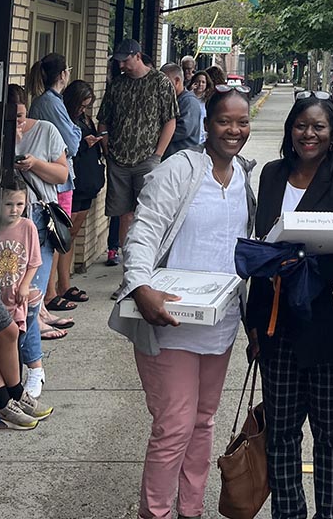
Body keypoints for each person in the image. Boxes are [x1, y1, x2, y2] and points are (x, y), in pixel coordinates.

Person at [109, 85, 256, 519]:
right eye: (225, 121)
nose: (234, 129)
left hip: (220, 323)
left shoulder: (246, 175)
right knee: (173, 426)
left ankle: (190, 509)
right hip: (169, 317)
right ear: (207, 125)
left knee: (203, 422)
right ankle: (156, 513)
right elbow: (145, 229)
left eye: (242, 122)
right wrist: (140, 287)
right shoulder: (181, 169)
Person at [247, 91, 333, 519]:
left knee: (331, 434)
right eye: (301, 126)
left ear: (332, 134)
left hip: (332, 327)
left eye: (318, 126)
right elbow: (262, 249)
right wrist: (254, 325)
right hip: (278, 327)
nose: (308, 134)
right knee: (281, 433)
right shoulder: (272, 175)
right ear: (289, 130)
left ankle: (331, 513)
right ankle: (289, 513)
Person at [12, 90, 69, 398]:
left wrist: (33, 163)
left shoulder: (46, 129)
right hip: (6, 219)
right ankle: (18, 377)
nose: (17, 122)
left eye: (20, 116)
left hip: (39, 215)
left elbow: (61, 174)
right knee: (13, 301)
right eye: (11, 118)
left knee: (32, 298)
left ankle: (33, 370)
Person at [97, 39, 178, 250]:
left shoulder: (160, 82)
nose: (121, 66)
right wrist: (106, 147)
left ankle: (147, 259)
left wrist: (157, 155)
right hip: (118, 159)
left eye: (125, 61)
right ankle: (127, 265)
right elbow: (103, 118)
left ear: (138, 56)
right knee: (124, 214)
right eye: (119, 62)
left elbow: (170, 120)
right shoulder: (117, 84)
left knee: (147, 212)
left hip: (147, 158)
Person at [0, 183, 54, 427]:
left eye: (20, 204)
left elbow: (34, 262)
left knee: (14, 341)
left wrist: (26, 285)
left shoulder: (27, 226)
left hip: (17, 297)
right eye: (9, 204)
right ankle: (6, 398)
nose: (15, 209)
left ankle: (14, 395)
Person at [27, 54, 82, 313]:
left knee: (56, 237)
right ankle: (48, 295)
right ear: (63, 74)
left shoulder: (50, 101)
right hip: (55, 180)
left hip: (53, 177)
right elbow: (71, 143)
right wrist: (78, 130)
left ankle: (48, 295)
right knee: (55, 236)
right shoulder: (50, 102)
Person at [57, 80, 106, 303]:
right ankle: (61, 284)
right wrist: (84, 143)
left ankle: (64, 281)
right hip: (73, 181)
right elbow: (66, 150)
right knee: (65, 234)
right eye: (82, 105)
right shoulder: (66, 120)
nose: (84, 110)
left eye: (87, 106)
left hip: (89, 180)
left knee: (74, 233)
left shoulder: (85, 119)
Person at [161, 63, 205, 156]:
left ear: (177, 81)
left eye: (164, 83)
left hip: (181, 157)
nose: (161, 87)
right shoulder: (172, 99)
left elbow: (183, 130)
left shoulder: (189, 102)